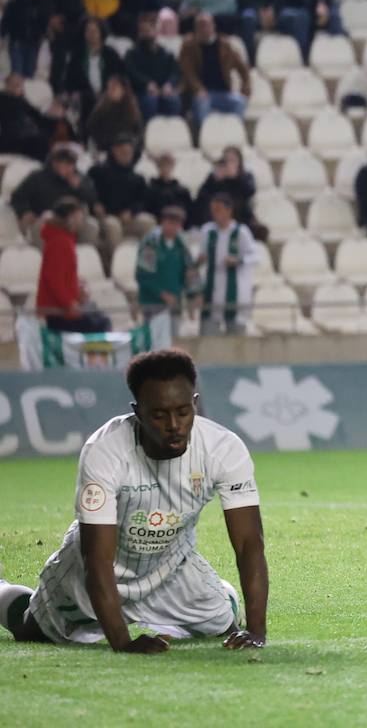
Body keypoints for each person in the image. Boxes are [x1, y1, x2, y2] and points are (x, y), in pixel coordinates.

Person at [0, 349, 268, 651]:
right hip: (99, 566)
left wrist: (257, 632)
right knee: (29, 629)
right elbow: (97, 558)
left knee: (222, 626)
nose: (174, 424)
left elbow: (249, 543)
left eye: (182, 412)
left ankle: (222, 596)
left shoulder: (223, 449)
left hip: (172, 564)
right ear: (137, 411)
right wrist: (123, 643)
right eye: (159, 414)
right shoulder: (105, 450)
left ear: (194, 404)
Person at [36, 199, 110, 333]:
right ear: (70, 218)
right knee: (101, 323)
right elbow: (54, 279)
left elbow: (63, 275)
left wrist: (79, 287)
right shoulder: (60, 242)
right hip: (60, 310)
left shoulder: (62, 239)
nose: (82, 221)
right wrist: (70, 304)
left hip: (62, 308)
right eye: (79, 217)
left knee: (99, 318)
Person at [198, 193, 260, 336]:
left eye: (218, 210)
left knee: (236, 344)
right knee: (209, 341)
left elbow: (256, 256)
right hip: (211, 294)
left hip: (235, 294)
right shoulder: (208, 231)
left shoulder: (241, 232)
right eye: (213, 210)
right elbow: (201, 257)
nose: (214, 214)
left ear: (228, 210)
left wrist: (239, 261)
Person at [11, 149, 101, 243]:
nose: (67, 167)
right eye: (64, 163)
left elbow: (92, 199)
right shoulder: (38, 177)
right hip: (44, 216)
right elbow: (17, 197)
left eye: (70, 164)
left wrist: (79, 187)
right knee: (41, 225)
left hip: (72, 218)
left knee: (91, 226)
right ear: (54, 163)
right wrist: (25, 211)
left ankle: (79, 255)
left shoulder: (80, 178)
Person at [180, 11, 252, 126]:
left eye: (205, 25)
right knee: (203, 104)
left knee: (240, 102)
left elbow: (243, 68)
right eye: (199, 26)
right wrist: (199, 89)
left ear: (213, 26)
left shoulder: (225, 45)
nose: (203, 29)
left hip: (223, 93)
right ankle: (204, 136)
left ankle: (234, 132)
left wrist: (245, 88)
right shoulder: (189, 47)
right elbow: (188, 72)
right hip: (201, 94)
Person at [135, 206, 198, 328]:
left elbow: (189, 272)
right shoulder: (151, 244)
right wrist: (162, 294)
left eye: (176, 224)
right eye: (170, 223)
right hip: (153, 305)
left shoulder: (181, 246)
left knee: (173, 343)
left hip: (174, 305)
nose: (173, 227)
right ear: (162, 222)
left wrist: (193, 296)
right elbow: (143, 276)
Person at [88, 134, 149, 243]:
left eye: (129, 153)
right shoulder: (98, 172)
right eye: (123, 152)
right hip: (105, 217)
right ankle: (118, 259)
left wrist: (132, 211)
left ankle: (147, 259)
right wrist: (95, 203)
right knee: (113, 225)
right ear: (114, 151)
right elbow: (88, 189)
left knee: (148, 222)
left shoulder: (138, 178)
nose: (126, 155)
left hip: (127, 218)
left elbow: (143, 200)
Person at [124, 12, 182, 119]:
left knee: (173, 100)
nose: (146, 34)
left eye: (149, 30)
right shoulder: (131, 54)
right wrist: (147, 84)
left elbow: (175, 73)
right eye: (143, 31)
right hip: (142, 91)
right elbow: (132, 73)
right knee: (150, 101)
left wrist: (169, 84)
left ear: (156, 31)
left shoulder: (166, 53)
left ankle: (172, 131)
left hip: (164, 90)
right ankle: (148, 131)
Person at [191, 146, 257, 228]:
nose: (229, 164)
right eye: (226, 160)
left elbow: (250, 192)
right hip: (218, 216)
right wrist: (214, 181)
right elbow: (201, 197)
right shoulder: (215, 176)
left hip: (240, 217)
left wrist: (236, 178)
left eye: (232, 160)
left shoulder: (246, 176)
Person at [2, 0, 47, 78]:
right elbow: (6, 21)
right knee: (17, 71)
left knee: (30, 72)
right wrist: (2, 36)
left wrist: (42, 34)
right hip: (17, 41)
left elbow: (43, 20)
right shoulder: (13, 3)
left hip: (33, 42)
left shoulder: (39, 2)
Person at [84, 75, 144, 155]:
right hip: (107, 146)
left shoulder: (132, 108)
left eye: (115, 88)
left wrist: (130, 144)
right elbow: (91, 127)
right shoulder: (102, 107)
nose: (111, 91)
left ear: (123, 90)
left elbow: (138, 131)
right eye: (109, 88)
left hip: (128, 146)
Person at [144, 153, 195, 220]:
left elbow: (189, 211)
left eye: (168, 165)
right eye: (163, 165)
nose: (165, 168)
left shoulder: (181, 190)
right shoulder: (151, 189)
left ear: (172, 166)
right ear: (158, 166)